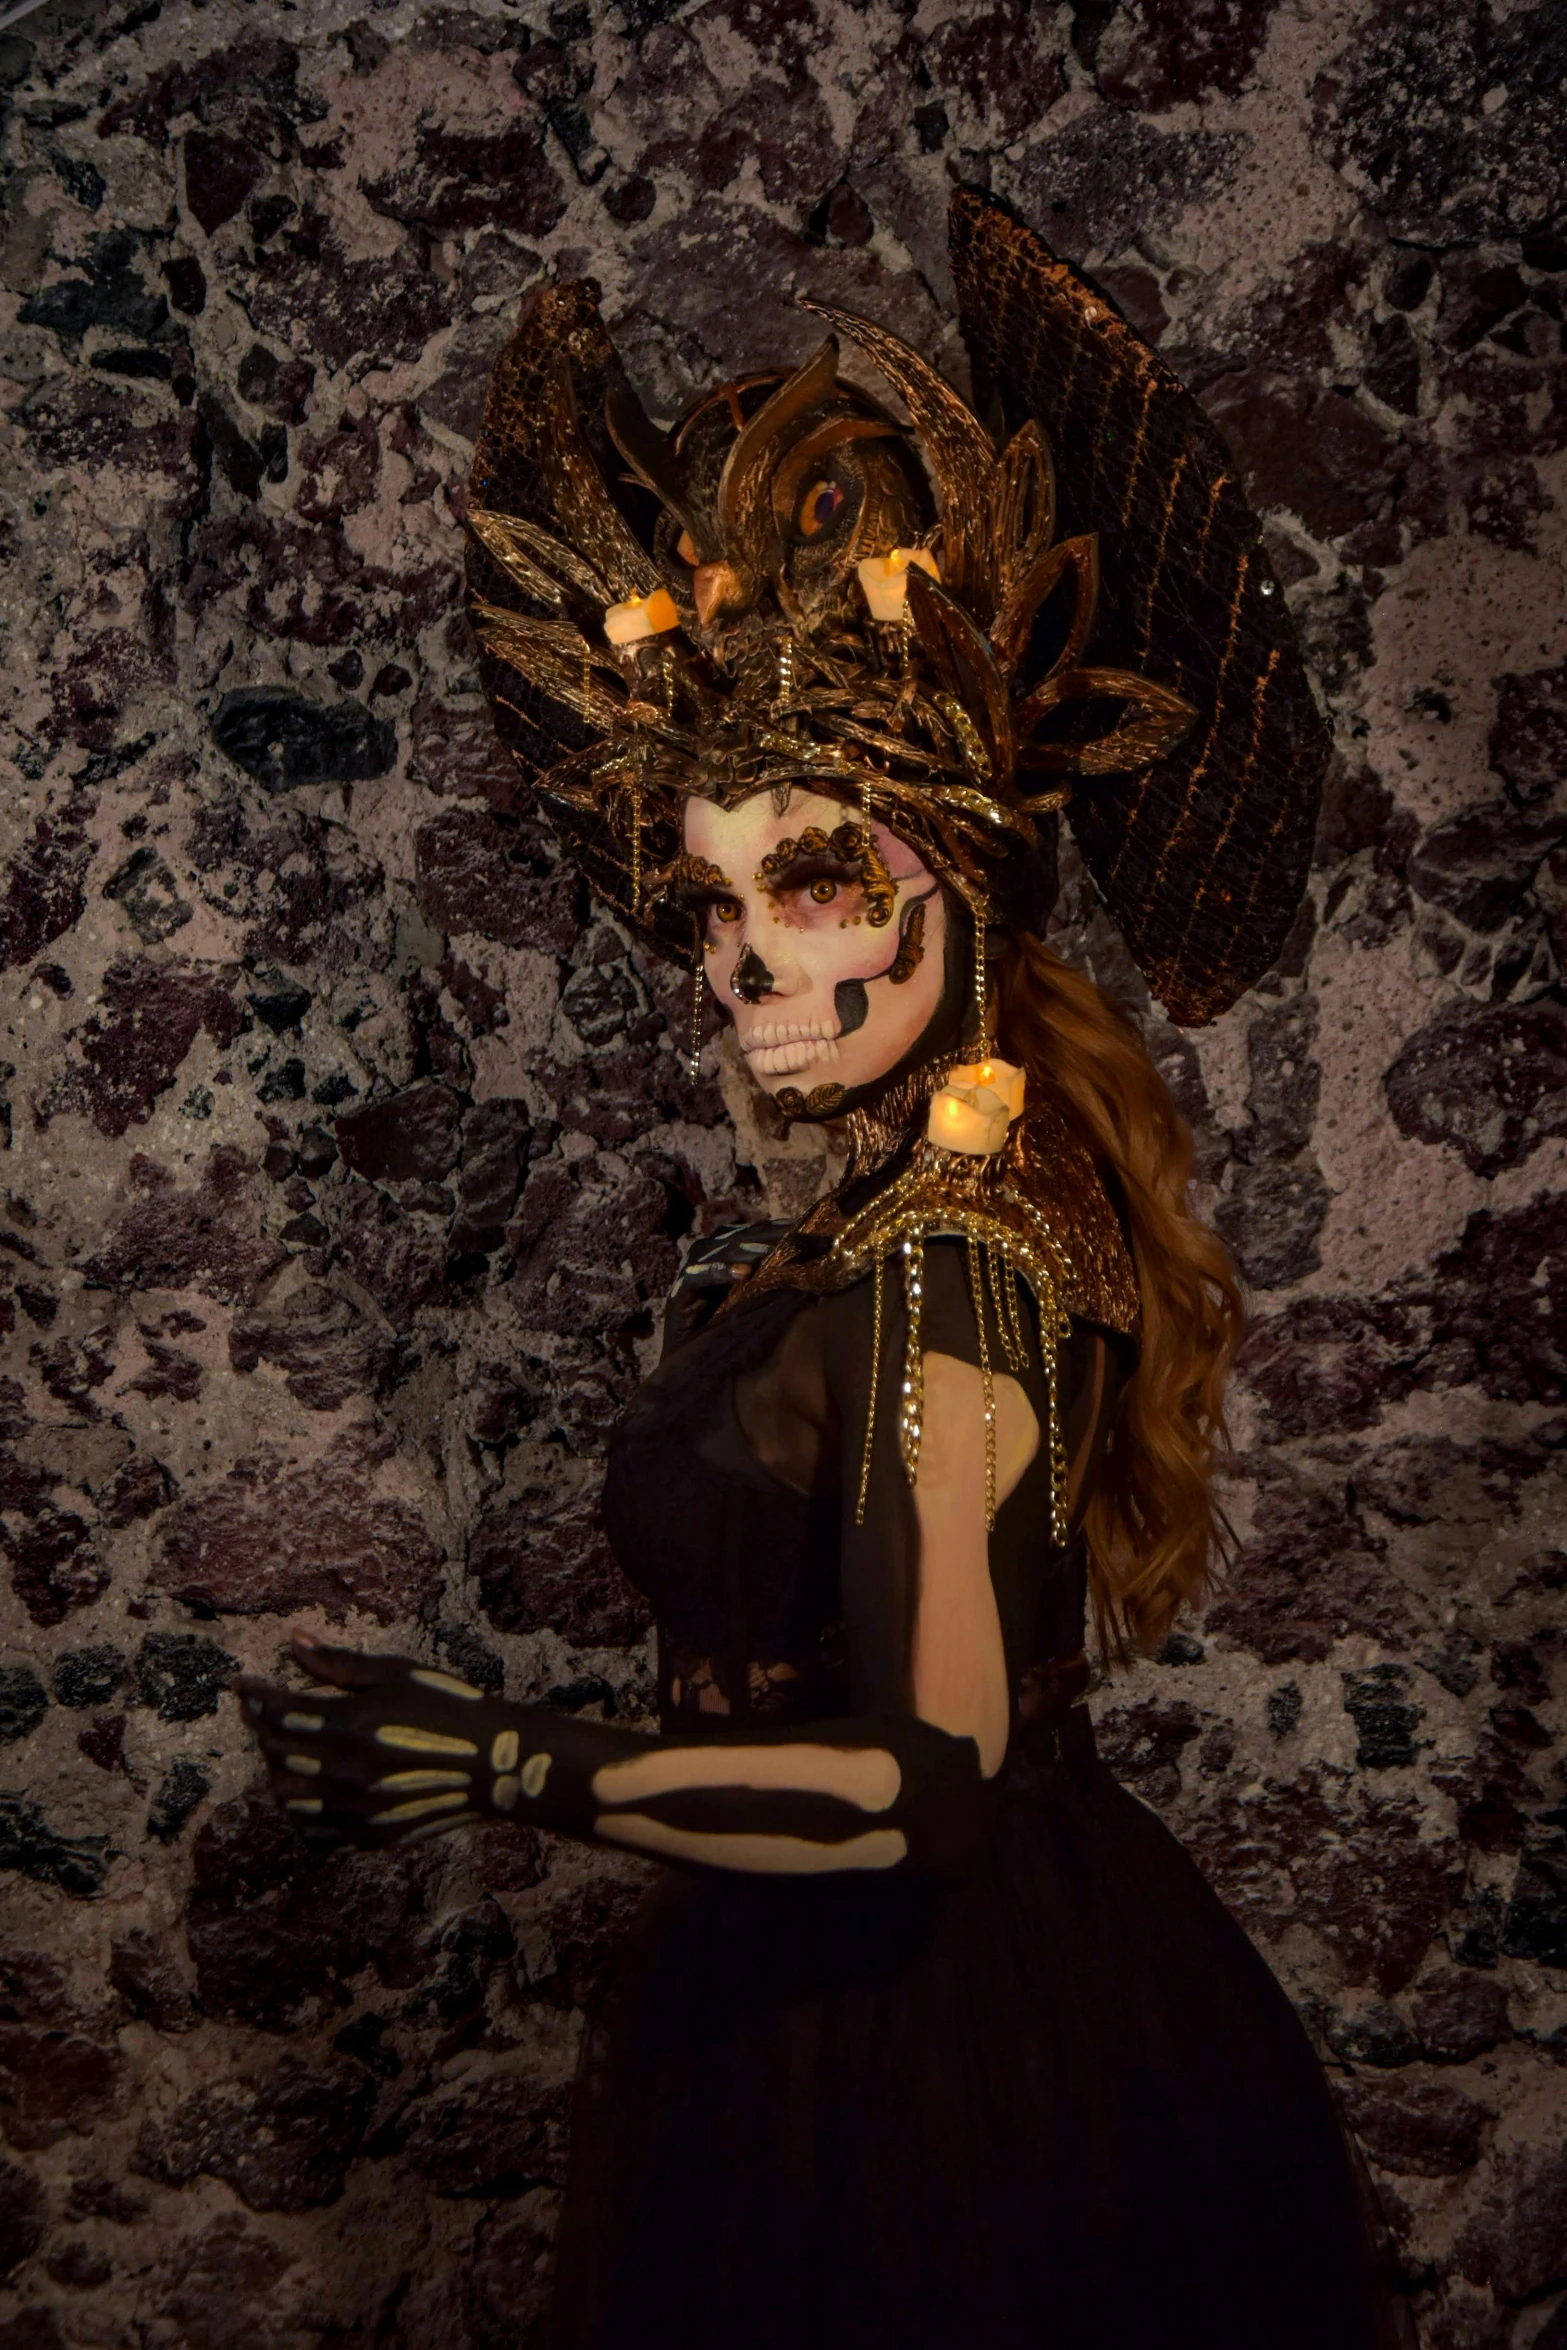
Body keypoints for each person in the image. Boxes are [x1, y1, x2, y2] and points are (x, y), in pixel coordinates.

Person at [242, 191, 1407, 2349]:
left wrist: (511, 1761)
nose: (742, 960)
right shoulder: (881, 1231)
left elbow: (934, 1782)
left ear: (954, 884)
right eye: (707, 901)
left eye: (807, 875)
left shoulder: (953, 1263)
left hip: (940, 2047)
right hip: (807, 1996)